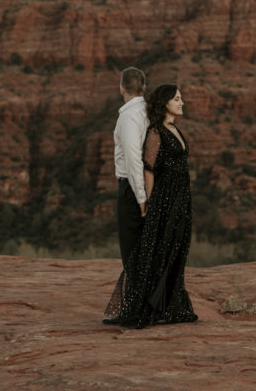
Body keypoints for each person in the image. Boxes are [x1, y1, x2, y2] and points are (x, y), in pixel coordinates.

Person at [103, 84, 198, 329]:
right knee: (157, 251)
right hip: (164, 201)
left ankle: (169, 304)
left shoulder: (174, 128)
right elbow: (149, 169)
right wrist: (150, 202)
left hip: (180, 201)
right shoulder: (156, 132)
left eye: (181, 98)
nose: (182, 102)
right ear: (165, 102)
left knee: (177, 249)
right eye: (177, 99)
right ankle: (146, 307)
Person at [113, 67, 149, 270]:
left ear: (121, 88)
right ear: (143, 88)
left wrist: (141, 198)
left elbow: (134, 160)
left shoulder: (128, 117)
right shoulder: (149, 111)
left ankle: (137, 301)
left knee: (132, 252)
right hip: (149, 184)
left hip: (132, 191)